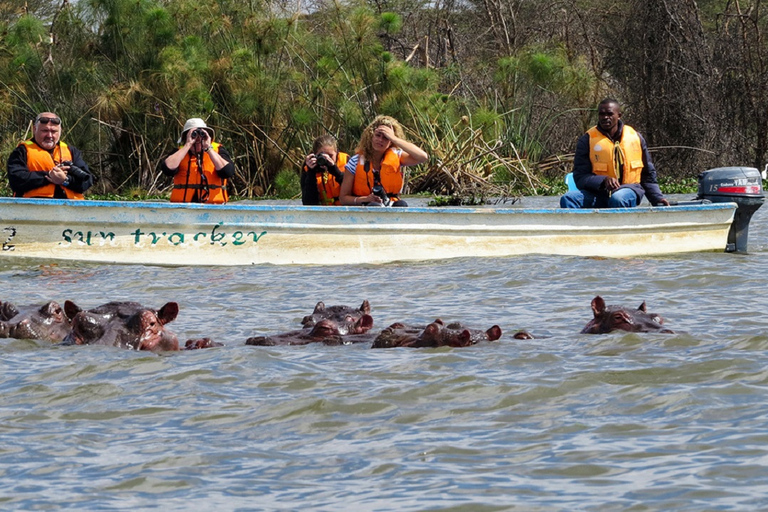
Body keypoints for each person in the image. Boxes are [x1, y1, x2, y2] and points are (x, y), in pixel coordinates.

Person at [560, 98, 670, 208]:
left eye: (610, 114)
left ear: (619, 115)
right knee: (569, 198)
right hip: (598, 194)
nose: (605, 117)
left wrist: (657, 198)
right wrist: (603, 181)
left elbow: (647, 174)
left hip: (629, 190)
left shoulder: (635, 138)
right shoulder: (586, 140)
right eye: (602, 114)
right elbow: (580, 177)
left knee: (618, 198)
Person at [339, 115, 428, 207]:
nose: (380, 140)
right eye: (378, 135)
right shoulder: (355, 162)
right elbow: (343, 198)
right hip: (366, 207)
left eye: (385, 137)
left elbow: (423, 157)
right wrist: (366, 199)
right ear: (371, 136)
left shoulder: (397, 156)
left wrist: (394, 138)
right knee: (374, 205)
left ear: (390, 142)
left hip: (390, 204)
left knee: (401, 204)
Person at [7, 112, 93, 199]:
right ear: (34, 129)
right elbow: (16, 181)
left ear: (60, 131)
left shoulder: (71, 151)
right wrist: (49, 176)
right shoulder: (21, 151)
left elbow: (87, 182)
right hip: (33, 208)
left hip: (68, 209)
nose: (49, 135)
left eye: (54, 131)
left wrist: (65, 180)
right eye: (45, 131)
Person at [160, 118, 235, 204]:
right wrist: (188, 144)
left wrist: (208, 149)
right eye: (193, 134)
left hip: (213, 208)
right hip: (184, 209)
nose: (197, 139)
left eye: (202, 135)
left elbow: (228, 172)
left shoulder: (218, 151)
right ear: (185, 137)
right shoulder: (179, 153)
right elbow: (167, 169)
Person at [300, 135, 348, 205]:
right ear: (315, 155)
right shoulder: (308, 169)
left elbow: (352, 192)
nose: (326, 159)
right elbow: (308, 203)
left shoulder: (347, 163)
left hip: (344, 211)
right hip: (322, 213)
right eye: (322, 155)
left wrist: (335, 170)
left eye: (330, 156)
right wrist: (311, 173)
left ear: (337, 153)